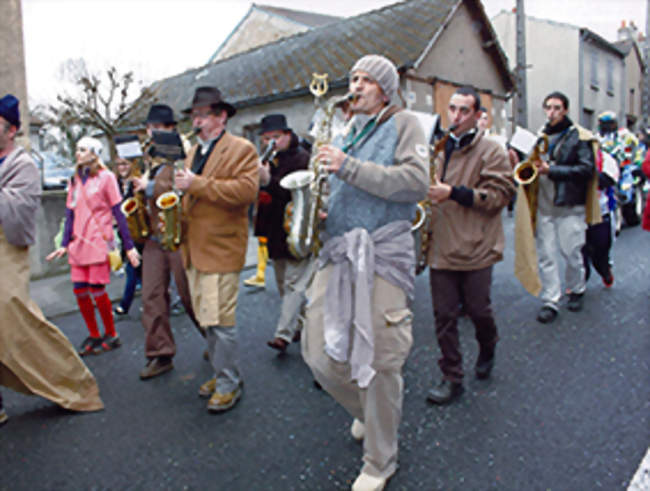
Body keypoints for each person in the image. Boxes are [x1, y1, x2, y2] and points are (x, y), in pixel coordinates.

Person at [301, 55, 428, 491]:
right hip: (338, 251)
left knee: (381, 360)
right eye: (352, 78)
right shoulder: (349, 130)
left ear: (386, 89)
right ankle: (370, 412)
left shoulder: (404, 122)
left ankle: (380, 462)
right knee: (317, 353)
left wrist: (348, 167)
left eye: (366, 80)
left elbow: (416, 182)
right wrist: (318, 208)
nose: (354, 86)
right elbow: (344, 188)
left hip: (382, 253)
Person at [1, 94, 104, 420]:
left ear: (11, 130)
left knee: (16, 321)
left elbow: (18, 214)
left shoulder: (23, 165)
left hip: (6, 250)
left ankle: (74, 383)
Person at [424, 87, 515, 405]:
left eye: (464, 111)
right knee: (444, 315)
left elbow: (500, 197)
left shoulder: (492, 149)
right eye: (452, 109)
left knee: (478, 310)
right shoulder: (437, 147)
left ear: (478, 116)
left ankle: (488, 346)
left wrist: (453, 193)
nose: (457, 117)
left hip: (476, 245)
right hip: (442, 246)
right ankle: (452, 377)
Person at [175, 87, 258, 413]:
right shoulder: (193, 151)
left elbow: (246, 191)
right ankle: (223, 373)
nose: (196, 120)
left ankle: (227, 384)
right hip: (194, 248)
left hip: (221, 247)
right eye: (194, 115)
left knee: (221, 321)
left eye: (203, 114)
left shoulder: (242, 148)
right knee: (207, 318)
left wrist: (195, 184)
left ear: (222, 116)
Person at [47, 136, 140, 354]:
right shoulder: (75, 179)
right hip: (78, 242)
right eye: (77, 149)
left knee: (97, 289)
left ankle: (111, 333)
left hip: (99, 240)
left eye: (82, 149)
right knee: (79, 290)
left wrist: (129, 246)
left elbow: (118, 211)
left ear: (94, 154)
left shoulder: (107, 178)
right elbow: (69, 213)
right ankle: (94, 335)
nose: (77, 153)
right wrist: (63, 243)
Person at [130, 104, 200, 380]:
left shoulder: (183, 152)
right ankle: (160, 354)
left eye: (159, 128)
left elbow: (176, 186)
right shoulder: (148, 156)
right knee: (151, 296)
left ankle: (215, 339)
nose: (153, 132)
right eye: (150, 128)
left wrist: (146, 187)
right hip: (154, 236)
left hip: (178, 233)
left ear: (171, 129)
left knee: (188, 294)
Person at [531, 92, 596, 323]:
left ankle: (576, 289)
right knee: (546, 255)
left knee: (571, 252)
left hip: (569, 204)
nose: (552, 112)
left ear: (566, 110)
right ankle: (551, 300)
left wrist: (553, 170)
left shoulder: (579, 137)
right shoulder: (540, 136)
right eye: (548, 108)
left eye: (557, 108)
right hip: (544, 203)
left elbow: (586, 170)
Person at [255, 114, 311, 352]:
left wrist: (268, 179)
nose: (271, 143)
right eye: (266, 138)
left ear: (288, 135)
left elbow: (293, 193)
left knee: (293, 284)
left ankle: (283, 334)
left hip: (296, 228)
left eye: (276, 137)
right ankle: (305, 326)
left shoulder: (302, 158)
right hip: (274, 229)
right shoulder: (270, 158)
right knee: (282, 284)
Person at [581, 147, 618, 287]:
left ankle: (604, 270)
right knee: (578, 251)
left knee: (600, 250)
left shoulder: (606, 159)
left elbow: (608, 180)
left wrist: (587, 171)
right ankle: (579, 282)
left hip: (601, 212)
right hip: (577, 213)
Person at [113, 156, 143, 317]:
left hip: (138, 233)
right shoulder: (117, 183)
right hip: (124, 232)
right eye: (118, 164)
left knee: (132, 269)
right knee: (140, 272)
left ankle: (124, 306)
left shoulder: (137, 182)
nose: (121, 167)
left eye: (124, 164)